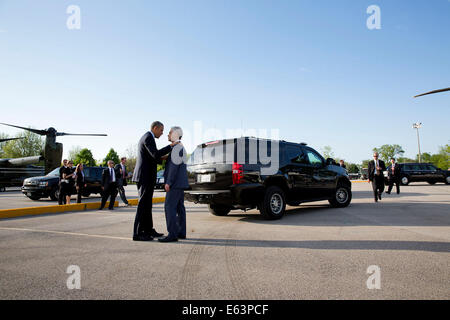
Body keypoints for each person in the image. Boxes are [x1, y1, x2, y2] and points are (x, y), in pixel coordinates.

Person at [132, 121, 178, 242]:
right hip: (144, 177)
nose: (162, 133)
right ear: (155, 128)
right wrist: (171, 146)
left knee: (147, 205)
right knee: (143, 205)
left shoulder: (148, 138)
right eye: (161, 130)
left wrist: (164, 157)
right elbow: (155, 154)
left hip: (147, 177)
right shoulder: (148, 137)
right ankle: (137, 233)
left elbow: (153, 157)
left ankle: (148, 230)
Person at [159, 127, 189, 243]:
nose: (168, 135)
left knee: (169, 207)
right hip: (180, 184)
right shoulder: (180, 147)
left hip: (175, 184)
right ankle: (181, 232)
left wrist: (168, 182)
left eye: (170, 133)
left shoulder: (177, 148)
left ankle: (172, 234)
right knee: (179, 208)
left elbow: (174, 167)